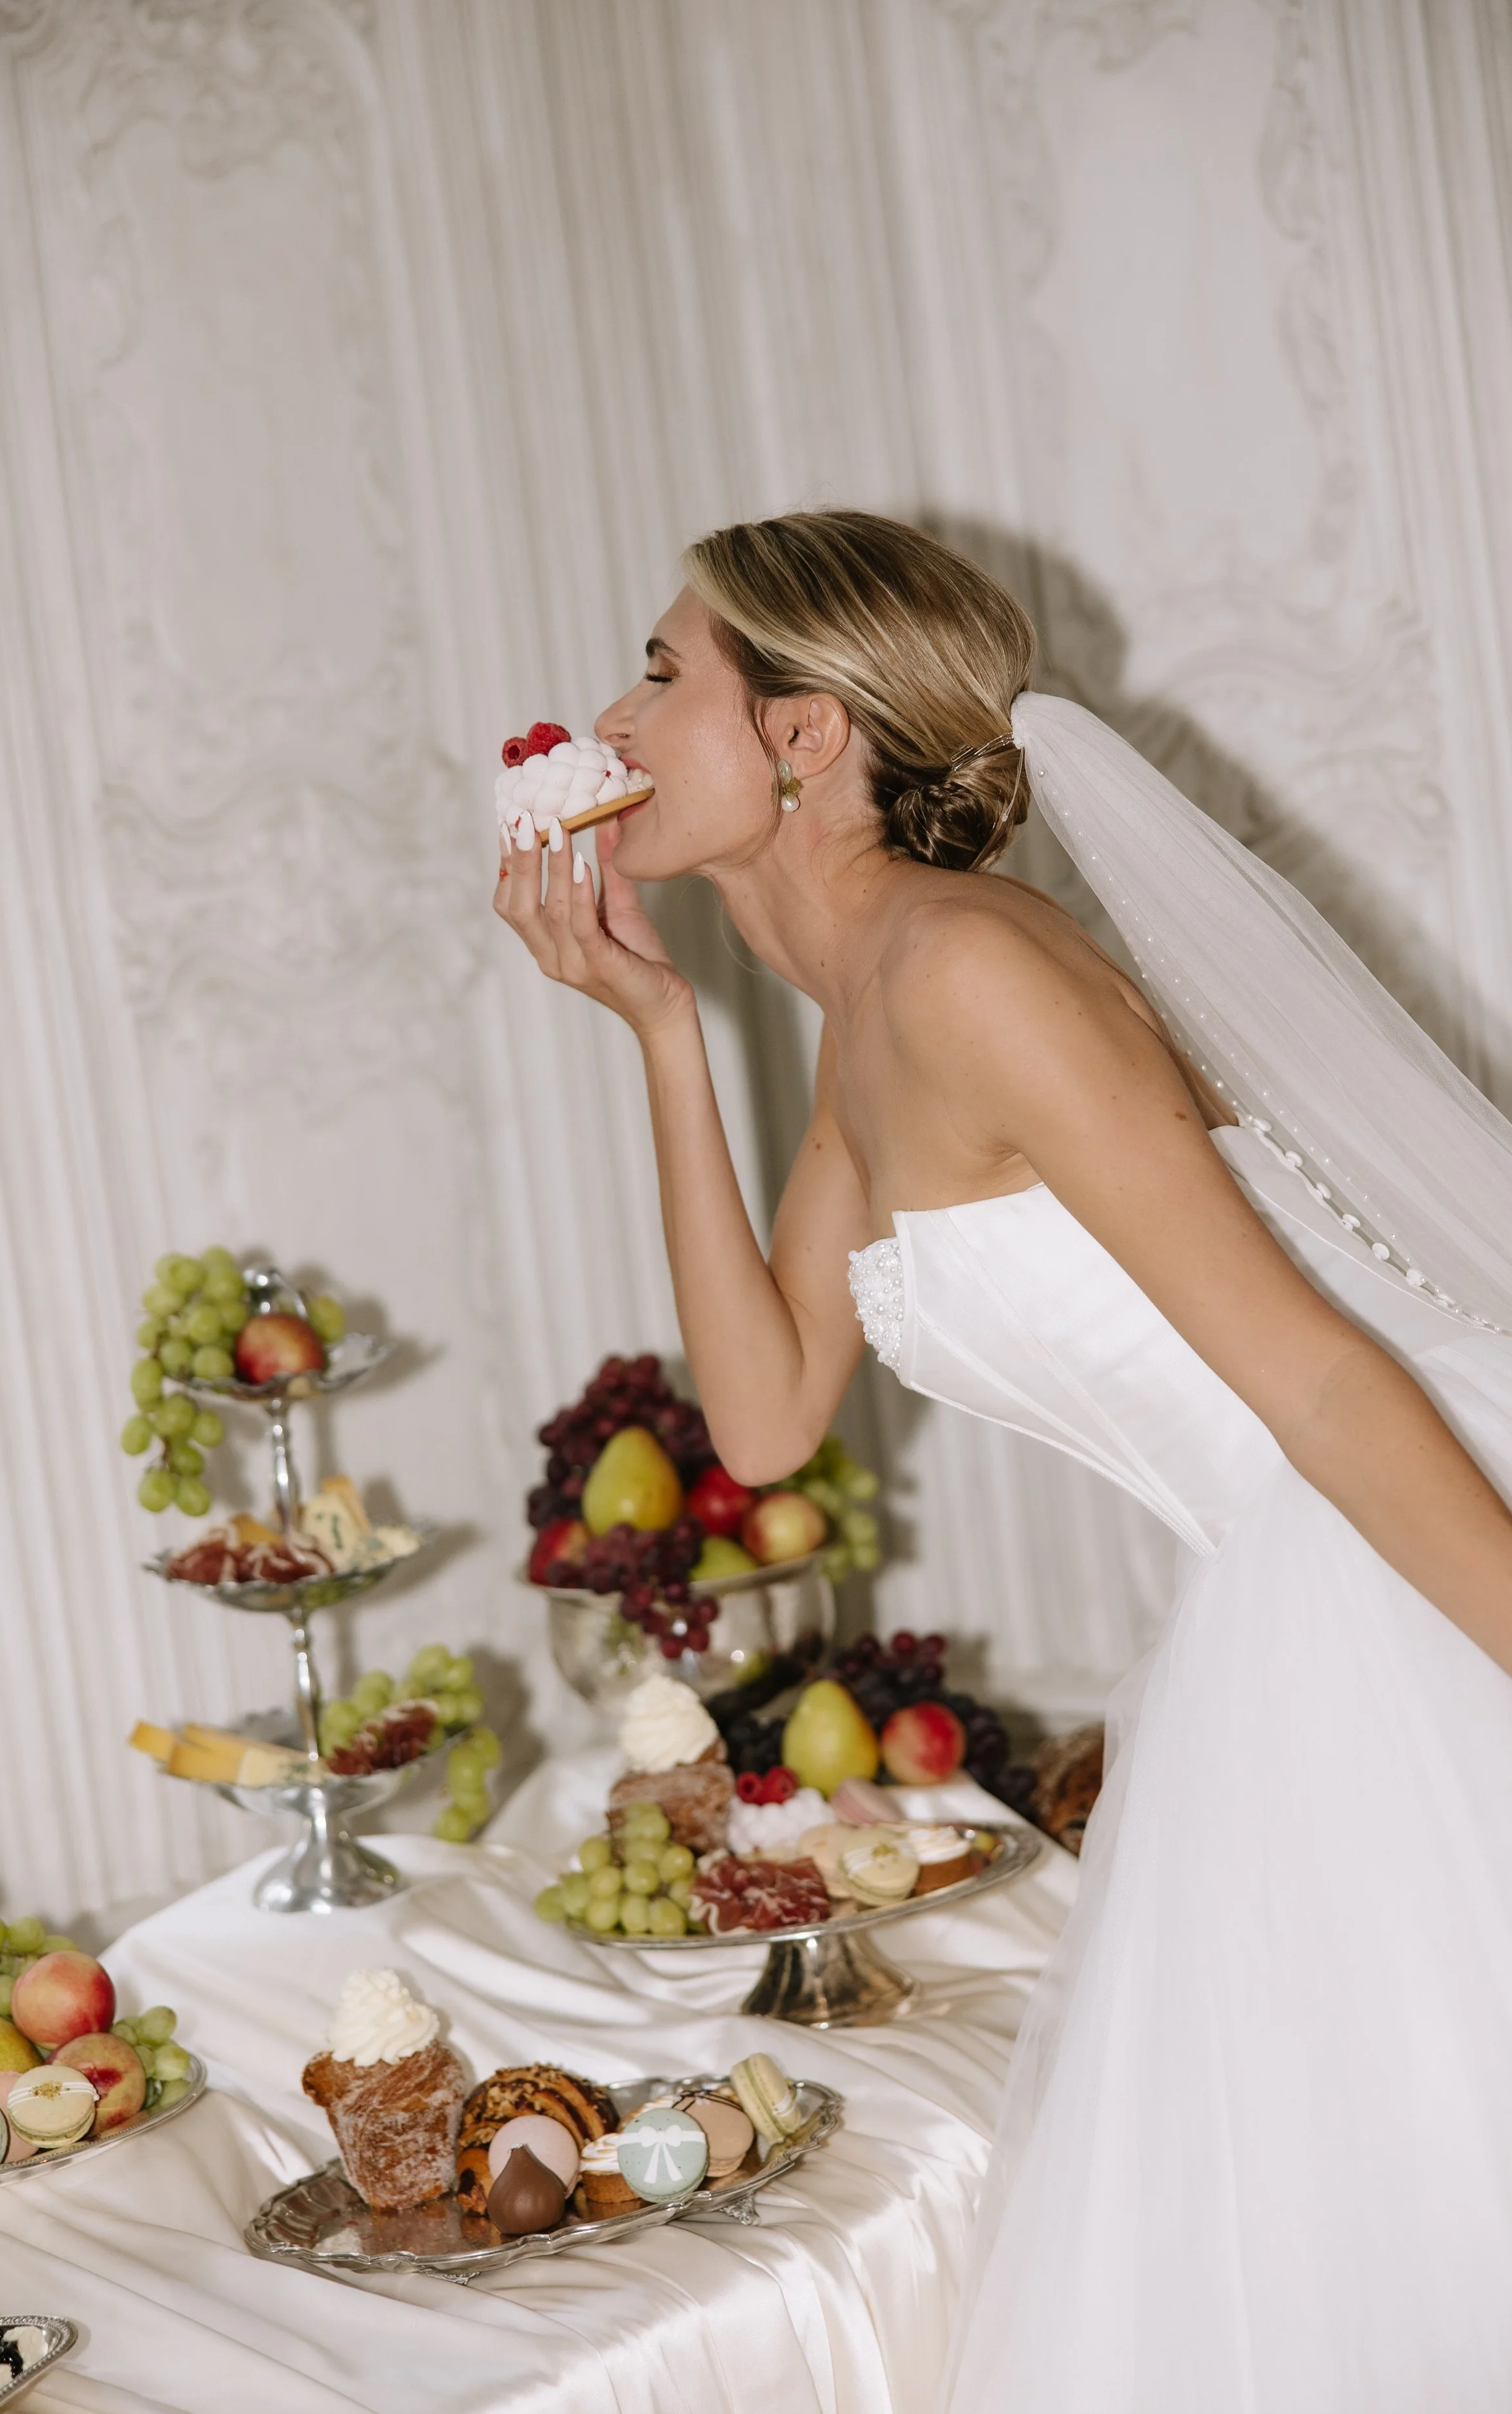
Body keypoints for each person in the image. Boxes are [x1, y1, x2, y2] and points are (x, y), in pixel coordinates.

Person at [495, 509, 1512, 2413]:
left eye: (661, 670)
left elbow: (1313, 1380)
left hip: (1390, 1539)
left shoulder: (964, 966)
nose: (610, 715)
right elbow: (768, 1412)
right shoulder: (860, 1002)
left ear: (802, 734)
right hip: (1290, 1567)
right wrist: (655, 1028)